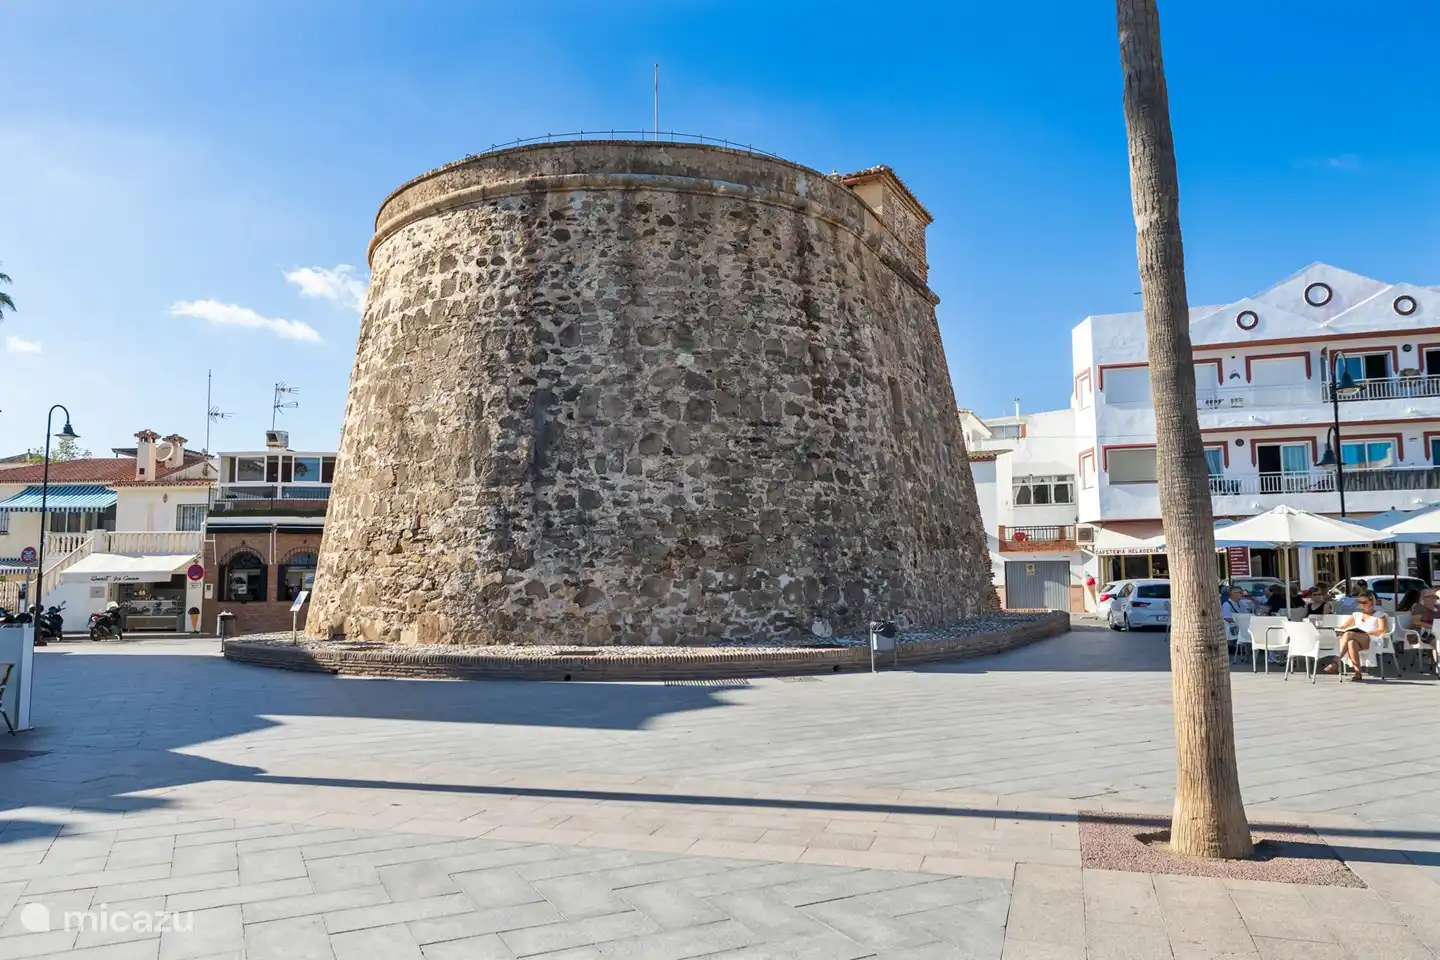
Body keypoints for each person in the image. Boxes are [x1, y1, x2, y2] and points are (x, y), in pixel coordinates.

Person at [1329, 591, 1388, 681]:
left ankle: (1335, 662)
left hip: (1371, 639)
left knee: (1349, 634)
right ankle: (1357, 672)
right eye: (1360, 602)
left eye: (1364, 602)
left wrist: (1367, 632)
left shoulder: (1380, 615)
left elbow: (1382, 630)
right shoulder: (1356, 615)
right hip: (1356, 638)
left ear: (1372, 602)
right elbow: (1344, 626)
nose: (1362, 605)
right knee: (1351, 642)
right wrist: (1339, 630)